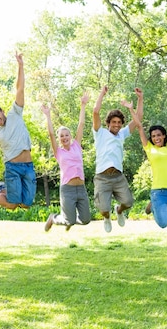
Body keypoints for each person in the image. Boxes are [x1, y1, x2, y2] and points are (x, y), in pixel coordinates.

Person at [0, 53, 37, 209]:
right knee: (12, 205)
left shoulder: (15, 113)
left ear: (2, 111)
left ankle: (1, 189)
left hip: (28, 165)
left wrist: (20, 65)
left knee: (26, 204)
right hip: (13, 167)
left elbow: (20, 89)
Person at [127, 98, 167, 228]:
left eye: (159, 135)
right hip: (158, 192)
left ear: (163, 136)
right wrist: (131, 109)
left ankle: (163, 206)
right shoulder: (149, 148)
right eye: (154, 136)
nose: (156, 138)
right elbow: (139, 126)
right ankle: (155, 204)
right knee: (163, 224)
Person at [92, 85, 143, 233]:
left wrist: (140, 99)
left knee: (128, 202)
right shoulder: (100, 133)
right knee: (103, 209)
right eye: (114, 122)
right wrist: (101, 93)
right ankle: (107, 217)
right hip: (102, 177)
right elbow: (95, 111)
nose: (117, 125)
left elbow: (138, 119)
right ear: (108, 123)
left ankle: (119, 211)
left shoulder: (122, 134)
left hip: (118, 176)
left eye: (119, 123)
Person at [41, 93, 92, 231]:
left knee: (86, 219)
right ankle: (54, 218)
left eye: (66, 135)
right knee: (68, 220)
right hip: (67, 190)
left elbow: (81, 124)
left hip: (81, 189)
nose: (64, 137)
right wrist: (48, 116)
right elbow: (51, 134)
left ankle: (69, 220)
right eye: (61, 136)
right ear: (59, 139)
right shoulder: (59, 152)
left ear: (70, 136)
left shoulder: (77, 145)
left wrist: (83, 105)